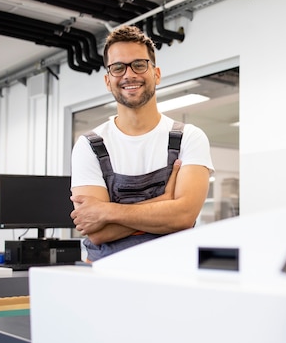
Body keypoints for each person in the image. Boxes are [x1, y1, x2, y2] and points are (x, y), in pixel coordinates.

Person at [70, 25, 214, 262]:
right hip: (106, 278)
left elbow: (184, 217)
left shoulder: (189, 137)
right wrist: (164, 203)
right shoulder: (88, 146)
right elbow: (97, 233)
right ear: (108, 80)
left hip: (172, 274)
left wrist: (107, 211)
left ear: (156, 73)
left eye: (139, 64)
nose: (129, 75)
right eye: (118, 67)